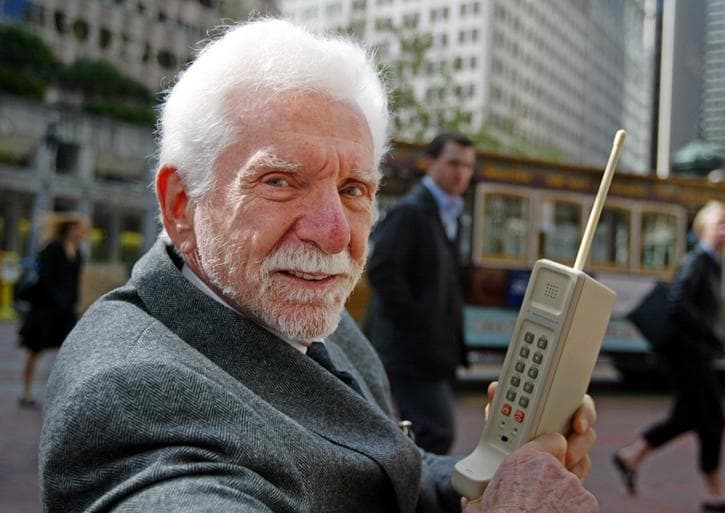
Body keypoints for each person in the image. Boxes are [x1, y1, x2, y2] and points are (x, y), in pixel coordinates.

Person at [40, 19, 599, 513]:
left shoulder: (306, 310)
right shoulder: (131, 396)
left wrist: (495, 480)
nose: (334, 235)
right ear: (181, 204)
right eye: (280, 181)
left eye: (353, 189)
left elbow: (390, 472)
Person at [613, 201, 725, 513]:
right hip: (690, 354)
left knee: (688, 417)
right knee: (713, 418)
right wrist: (708, 333)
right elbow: (677, 304)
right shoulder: (698, 260)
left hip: (696, 352)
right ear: (703, 228)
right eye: (718, 225)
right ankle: (715, 495)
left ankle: (631, 455)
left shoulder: (713, 263)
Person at [367, 132, 474, 455]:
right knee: (436, 432)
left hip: (429, 351)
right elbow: (382, 270)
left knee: (424, 433)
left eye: (468, 166)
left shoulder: (449, 213)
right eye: (453, 163)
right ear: (430, 163)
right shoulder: (411, 211)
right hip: (411, 352)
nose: (461, 173)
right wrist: (417, 324)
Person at [17, 211, 88, 408]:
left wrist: (74, 303)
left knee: (71, 351)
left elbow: (74, 282)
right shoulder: (53, 248)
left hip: (66, 311)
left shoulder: (78, 253)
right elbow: (45, 278)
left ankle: (65, 395)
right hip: (45, 309)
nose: (82, 232)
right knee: (35, 350)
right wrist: (58, 300)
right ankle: (26, 393)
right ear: (69, 229)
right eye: (78, 228)